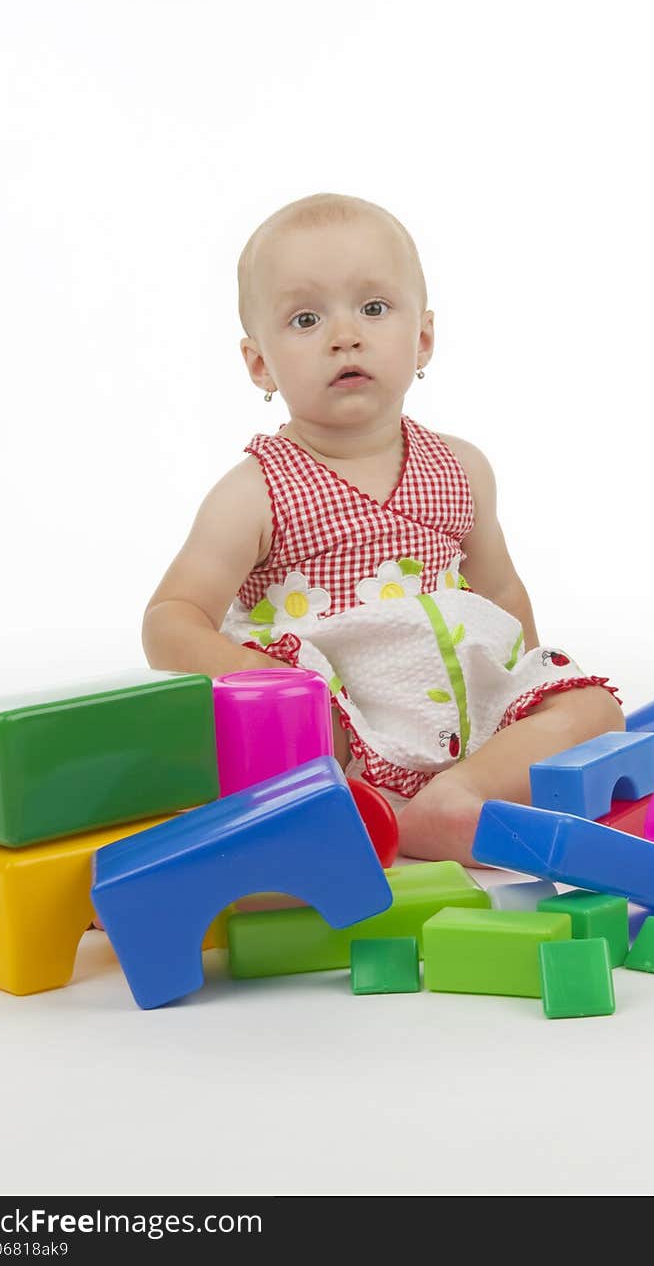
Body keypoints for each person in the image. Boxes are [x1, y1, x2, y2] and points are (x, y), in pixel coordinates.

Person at [142, 192, 624, 867]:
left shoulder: (460, 466)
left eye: (373, 309)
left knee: (593, 706)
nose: (346, 335)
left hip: (459, 710)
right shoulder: (256, 490)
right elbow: (170, 616)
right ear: (259, 364)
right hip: (343, 721)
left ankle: (456, 797)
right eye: (306, 319)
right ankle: (378, 809)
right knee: (287, 749)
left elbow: (502, 591)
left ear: (422, 338)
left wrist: (525, 690)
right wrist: (262, 684)